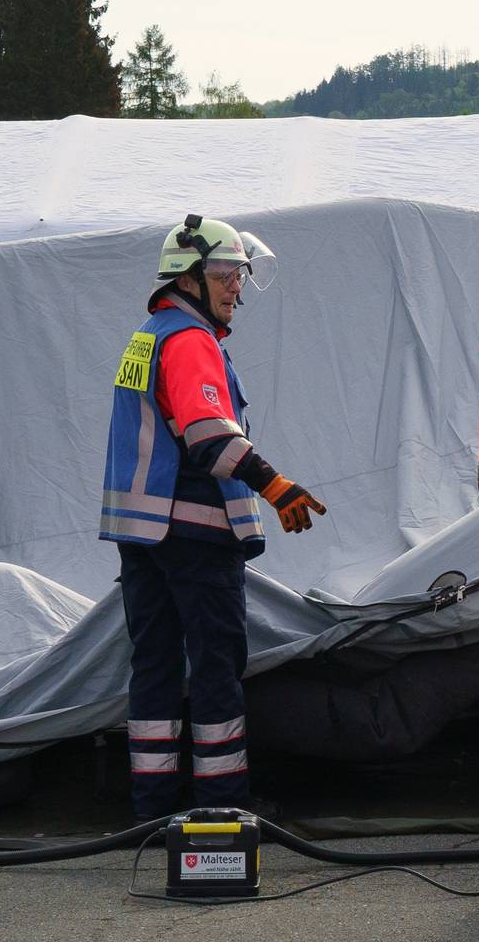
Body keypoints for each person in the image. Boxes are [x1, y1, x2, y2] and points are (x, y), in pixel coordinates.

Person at [101, 215, 323, 820]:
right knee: (217, 666)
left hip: (141, 535)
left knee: (154, 667)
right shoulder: (191, 341)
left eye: (240, 275)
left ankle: (152, 813)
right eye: (226, 275)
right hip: (194, 534)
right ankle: (223, 810)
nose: (237, 289)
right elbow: (206, 436)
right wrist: (275, 485)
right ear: (191, 278)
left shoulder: (147, 335)